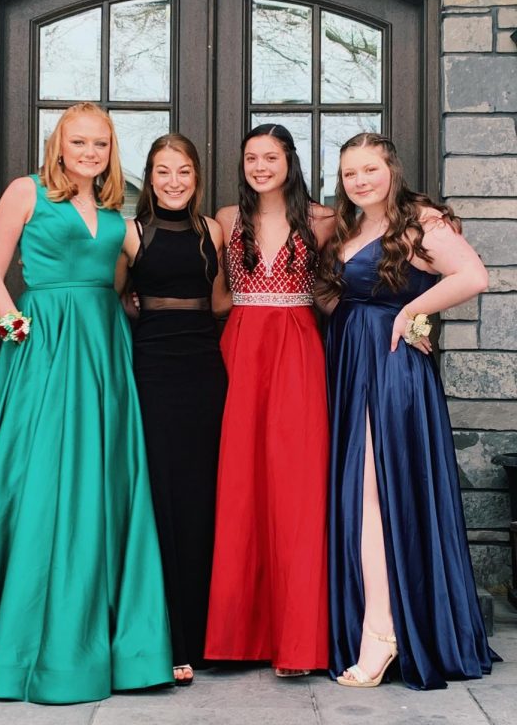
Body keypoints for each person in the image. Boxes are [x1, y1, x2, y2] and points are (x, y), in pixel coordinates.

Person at [0, 102, 173, 703]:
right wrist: (14, 324)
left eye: (101, 144)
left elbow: (120, 290)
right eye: (79, 142)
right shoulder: (26, 191)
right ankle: (7, 641)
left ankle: (106, 637)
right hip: (42, 343)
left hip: (102, 352)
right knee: (34, 476)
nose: (90, 153)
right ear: (59, 144)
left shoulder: (118, 213)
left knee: (102, 479)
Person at [319, 131, 497, 690]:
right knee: (358, 492)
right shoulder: (351, 227)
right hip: (350, 360)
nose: (360, 181)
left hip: (392, 366)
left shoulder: (420, 220)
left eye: (369, 169)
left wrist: (411, 314)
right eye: (350, 173)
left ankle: (383, 630)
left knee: (375, 491)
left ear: (391, 169)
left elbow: (473, 276)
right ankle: (377, 616)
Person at [204, 123, 335, 677]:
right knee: (239, 485)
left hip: (298, 350)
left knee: (295, 486)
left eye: (271, 157)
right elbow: (215, 299)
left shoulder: (324, 219)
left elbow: (343, 285)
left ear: (290, 161)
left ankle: (297, 642)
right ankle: (235, 638)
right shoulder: (228, 221)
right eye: (251, 158)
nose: (260, 166)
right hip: (241, 349)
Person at [118, 134, 228, 686]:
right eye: (163, 172)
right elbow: (113, 296)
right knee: (160, 495)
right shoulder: (131, 233)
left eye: (183, 171)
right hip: (153, 371)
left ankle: (207, 633)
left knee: (202, 498)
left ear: (196, 176)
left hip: (207, 372)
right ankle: (170, 636)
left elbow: (223, 301)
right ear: (150, 176)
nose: (174, 182)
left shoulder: (214, 231)